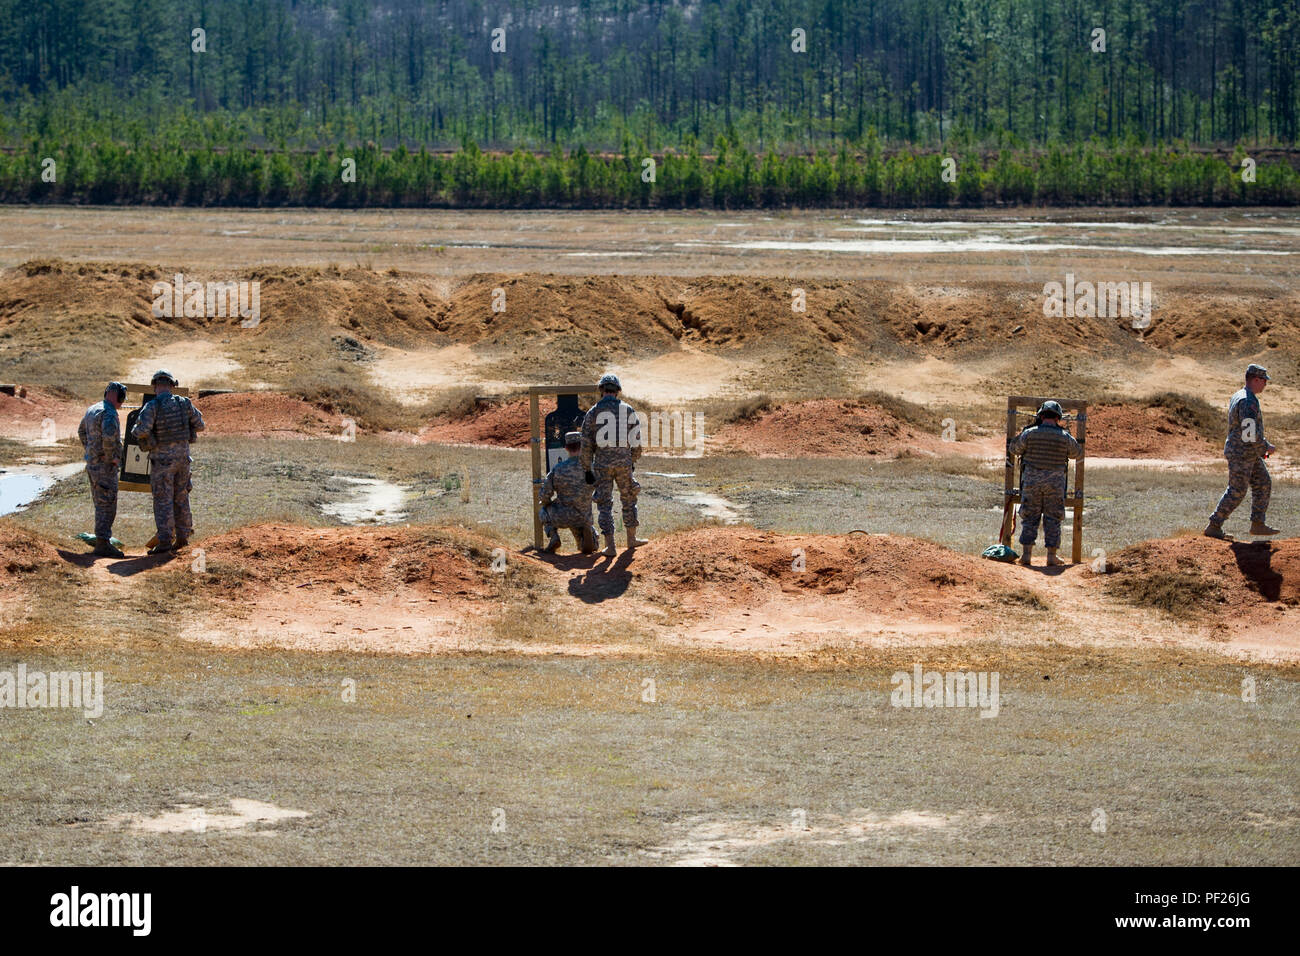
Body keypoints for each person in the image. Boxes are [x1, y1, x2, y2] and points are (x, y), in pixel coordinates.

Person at [131, 370, 204, 555]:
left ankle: (164, 541)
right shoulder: (184, 403)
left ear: (155, 386)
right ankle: (182, 537)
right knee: (181, 497)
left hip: (163, 462)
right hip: (183, 460)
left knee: (163, 500)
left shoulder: (152, 406)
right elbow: (200, 424)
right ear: (172, 386)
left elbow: (141, 431)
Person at [1206, 364, 1278, 539]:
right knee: (1237, 490)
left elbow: (1248, 431)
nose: (1265, 385)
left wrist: (1262, 448)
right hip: (1242, 453)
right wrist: (1265, 449)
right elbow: (1249, 433)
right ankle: (1214, 525)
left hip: (1247, 452)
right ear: (1255, 379)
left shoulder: (1241, 395)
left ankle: (1258, 524)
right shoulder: (1247, 400)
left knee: (1263, 482)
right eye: (1263, 381)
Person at [580, 373, 647, 557]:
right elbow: (637, 440)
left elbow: (585, 443)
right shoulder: (628, 410)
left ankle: (610, 546)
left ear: (601, 390)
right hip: (624, 463)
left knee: (604, 504)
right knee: (629, 498)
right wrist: (632, 460)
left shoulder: (593, 412)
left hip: (602, 465)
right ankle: (632, 539)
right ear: (617, 391)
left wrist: (587, 468)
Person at [1010, 400, 1082, 567]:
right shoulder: (1064, 437)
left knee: (1029, 516)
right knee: (1053, 517)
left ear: (1041, 415)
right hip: (1055, 484)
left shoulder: (1030, 433)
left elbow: (1014, 449)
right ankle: (1051, 556)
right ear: (1058, 417)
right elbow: (1076, 453)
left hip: (1031, 482)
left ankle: (1026, 556)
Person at [77, 382, 127, 558]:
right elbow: (108, 436)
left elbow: (81, 431)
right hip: (105, 467)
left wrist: (91, 451)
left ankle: (102, 540)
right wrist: (109, 456)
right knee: (107, 505)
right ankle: (103, 543)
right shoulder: (109, 412)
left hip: (92, 464)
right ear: (119, 397)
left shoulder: (92, 409)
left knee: (100, 503)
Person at [538, 431, 597, 554]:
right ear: (582, 446)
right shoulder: (591, 468)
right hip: (584, 515)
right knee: (583, 526)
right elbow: (601, 490)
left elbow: (544, 495)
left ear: (566, 448)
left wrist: (548, 504)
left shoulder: (558, 468)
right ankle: (591, 539)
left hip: (561, 516)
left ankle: (554, 536)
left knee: (543, 511)